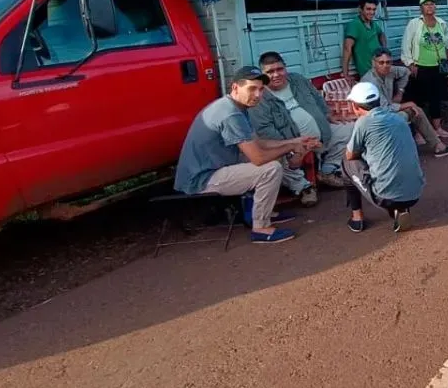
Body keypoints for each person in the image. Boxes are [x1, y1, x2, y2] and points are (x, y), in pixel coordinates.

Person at [174, 66, 321, 245]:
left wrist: (296, 141)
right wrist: (290, 147)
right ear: (235, 87)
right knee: (270, 168)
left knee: (273, 159)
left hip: (215, 167)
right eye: (252, 89)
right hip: (202, 179)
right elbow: (258, 157)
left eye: (260, 89)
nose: (258, 94)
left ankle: (266, 212)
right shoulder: (230, 114)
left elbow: (258, 143)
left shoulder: (236, 107)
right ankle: (261, 227)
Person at [250, 52, 352, 208]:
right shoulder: (260, 97)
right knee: (276, 161)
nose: (276, 74)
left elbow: (317, 98)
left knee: (351, 130)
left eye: (280, 69)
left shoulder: (297, 79)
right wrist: (293, 146)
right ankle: (304, 187)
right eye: (269, 72)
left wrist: (328, 115)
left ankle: (328, 170)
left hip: (322, 134)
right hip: (290, 143)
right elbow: (266, 130)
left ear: (285, 68)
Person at [342, 82, 426, 233]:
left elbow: (350, 155)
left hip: (385, 196)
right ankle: (400, 209)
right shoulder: (399, 118)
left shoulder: (363, 122)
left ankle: (357, 218)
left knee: (347, 163)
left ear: (355, 106)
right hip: (415, 192)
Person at [362, 48, 448, 157]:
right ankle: (402, 155)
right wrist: (408, 104)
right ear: (373, 63)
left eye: (388, 62)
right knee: (405, 114)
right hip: (375, 116)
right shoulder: (370, 81)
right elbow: (384, 108)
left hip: (388, 109)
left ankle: (438, 146)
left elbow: (406, 72)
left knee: (416, 110)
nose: (385, 65)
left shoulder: (390, 70)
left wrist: (400, 91)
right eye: (381, 62)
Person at [402, 0, 448, 137]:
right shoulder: (415, 24)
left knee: (436, 97)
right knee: (419, 100)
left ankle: (437, 128)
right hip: (421, 66)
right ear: (421, 8)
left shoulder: (441, 23)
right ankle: (419, 133)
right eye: (426, 4)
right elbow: (406, 44)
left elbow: (446, 42)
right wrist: (410, 63)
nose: (429, 6)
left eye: (432, 4)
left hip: (438, 65)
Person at [342, 0, 387, 80]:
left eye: (374, 9)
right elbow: (347, 49)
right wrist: (345, 74)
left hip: (381, 68)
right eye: (368, 9)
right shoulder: (355, 25)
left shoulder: (373, 24)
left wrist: (384, 49)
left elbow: (381, 34)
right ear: (360, 9)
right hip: (368, 73)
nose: (372, 12)